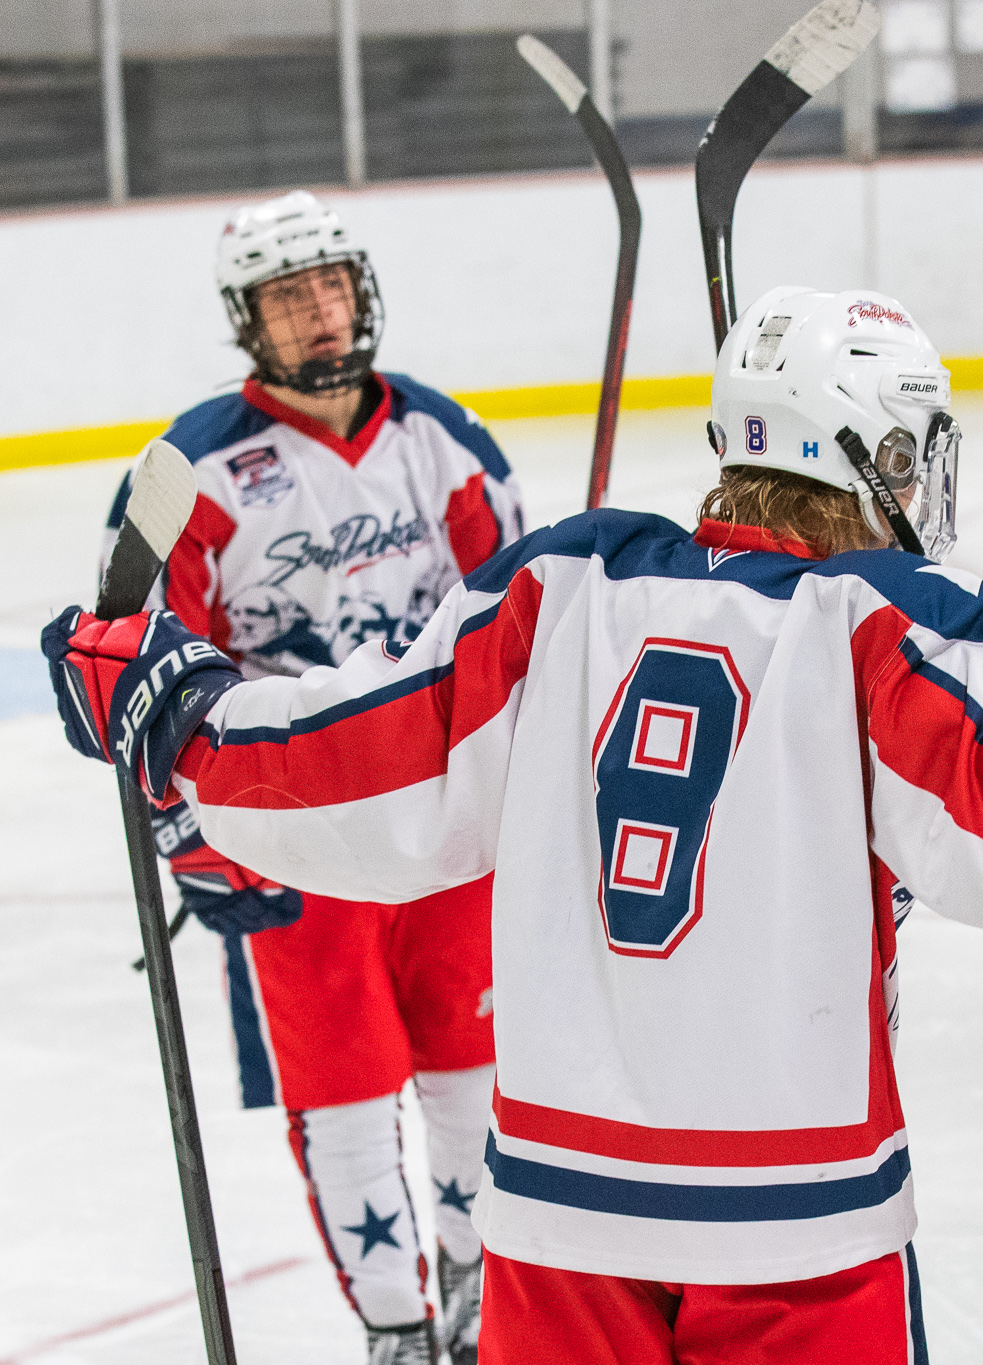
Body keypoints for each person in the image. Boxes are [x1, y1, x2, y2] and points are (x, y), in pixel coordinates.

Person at [43, 286, 983, 1364]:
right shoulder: (885, 624)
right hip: (792, 1225)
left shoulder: (561, 588)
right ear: (870, 454)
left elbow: (357, 766)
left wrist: (176, 714)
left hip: (554, 1218)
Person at [97, 190, 523, 1363]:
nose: (319, 314)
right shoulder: (194, 469)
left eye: (331, 286)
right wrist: (185, 828)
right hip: (287, 825)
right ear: (250, 322)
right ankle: (394, 1326)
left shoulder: (444, 439)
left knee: (471, 1074)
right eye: (290, 298)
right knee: (340, 1099)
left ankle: (480, 1289)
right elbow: (144, 668)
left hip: (443, 818)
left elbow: (515, 629)